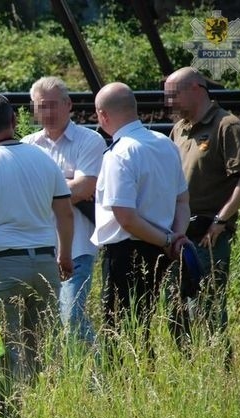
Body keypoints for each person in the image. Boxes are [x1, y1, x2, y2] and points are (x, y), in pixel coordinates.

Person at [0, 93, 74, 387]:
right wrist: (65, 256)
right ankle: (43, 405)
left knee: (3, 349)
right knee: (43, 346)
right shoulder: (44, 160)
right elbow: (65, 215)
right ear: (14, 121)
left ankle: (8, 416)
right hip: (45, 262)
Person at [164, 67, 240, 365]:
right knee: (174, 307)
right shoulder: (179, 129)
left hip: (208, 234)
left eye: (174, 94)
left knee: (209, 309)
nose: (169, 102)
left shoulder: (226, 126)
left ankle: (221, 373)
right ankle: (191, 369)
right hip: (177, 234)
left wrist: (221, 220)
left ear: (197, 88)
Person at [91, 82, 190, 363]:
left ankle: (122, 392)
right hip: (163, 249)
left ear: (102, 115)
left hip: (127, 251)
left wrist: (170, 240)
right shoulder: (165, 143)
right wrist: (176, 238)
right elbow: (182, 201)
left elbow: (125, 217)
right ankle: (143, 382)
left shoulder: (119, 154)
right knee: (143, 325)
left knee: (118, 333)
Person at [22, 76, 106, 347]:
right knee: (42, 324)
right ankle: (60, 378)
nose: (47, 112)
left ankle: (100, 373)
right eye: (40, 106)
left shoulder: (89, 140)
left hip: (79, 246)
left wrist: (42, 187)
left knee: (71, 316)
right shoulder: (27, 145)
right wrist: (65, 183)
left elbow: (84, 188)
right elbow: (21, 192)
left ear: (68, 104)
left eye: (52, 105)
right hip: (38, 247)